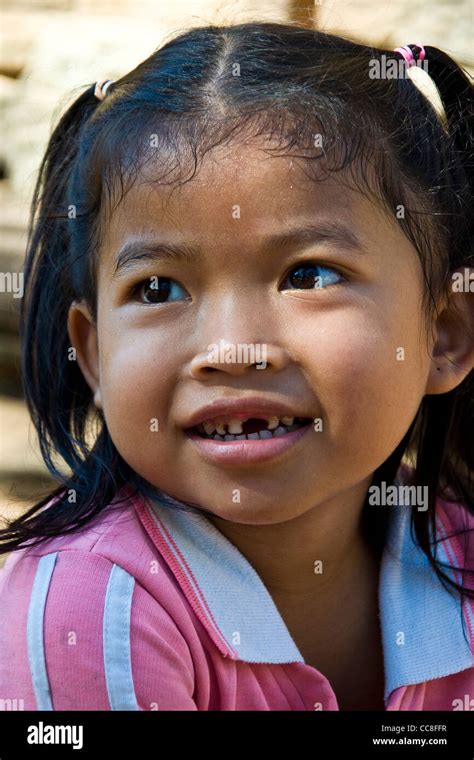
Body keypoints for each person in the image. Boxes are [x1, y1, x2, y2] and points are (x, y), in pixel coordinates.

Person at [0, 22, 473, 711]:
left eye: (308, 275)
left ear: (445, 332)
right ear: (94, 352)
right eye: (158, 289)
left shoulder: (458, 557)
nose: (232, 348)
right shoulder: (86, 610)